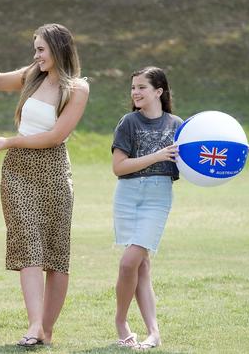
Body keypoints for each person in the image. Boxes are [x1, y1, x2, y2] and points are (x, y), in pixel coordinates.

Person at [0, 18, 89, 347]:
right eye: (35, 50)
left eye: (41, 49)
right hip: (17, 172)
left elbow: (55, 136)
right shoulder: (30, 76)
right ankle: (35, 325)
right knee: (28, 247)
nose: (36, 56)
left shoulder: (77, 88)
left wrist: (9, 141)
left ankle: (46, 331)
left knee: (55, 253)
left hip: (53, 171)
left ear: (58, 49)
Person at [111, 66, 182, 350]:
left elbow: (201, 156)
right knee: (141, 266)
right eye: (133, 88)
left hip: (157, 197)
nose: (136, 93)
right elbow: (119, 167)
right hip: (127, 196)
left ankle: (120, 320)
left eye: (142, 87)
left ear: (158, 91)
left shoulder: (177, 125)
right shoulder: (128, 122)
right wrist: (158, 155)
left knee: (130, 262)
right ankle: (154, 333)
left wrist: (230, 149)